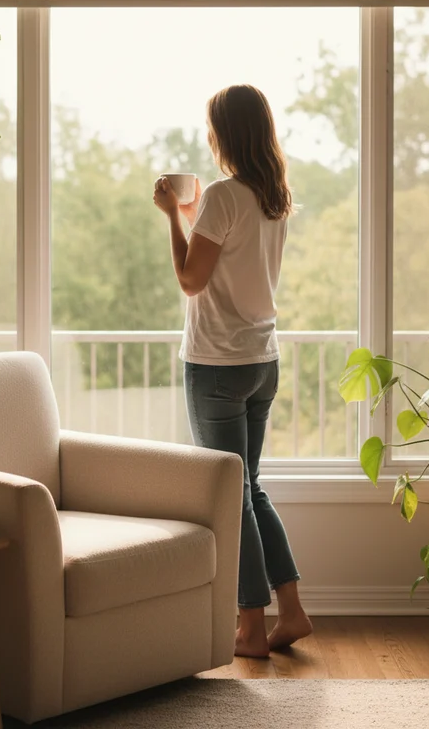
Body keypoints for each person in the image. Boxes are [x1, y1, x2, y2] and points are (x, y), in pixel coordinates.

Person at [153, 84, 312, 659]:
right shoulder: (273, 197)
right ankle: (289, 610)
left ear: (225, 132)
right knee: (252, 488)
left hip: (216, 365)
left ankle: (249, 624)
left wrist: (173, 215)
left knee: (233, 495)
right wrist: (196, 218)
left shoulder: (222, 194)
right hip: (261, 362)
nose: (208, 135)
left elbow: (192, 280)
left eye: (212, 126)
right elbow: (229, 254)